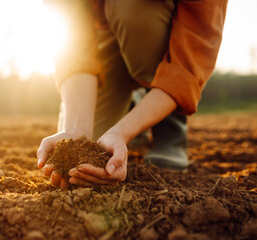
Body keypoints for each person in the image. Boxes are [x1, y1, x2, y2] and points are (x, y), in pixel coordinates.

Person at [37, 0, 228, 189]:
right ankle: (135, 108)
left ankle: (169, 123)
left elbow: (192, 53)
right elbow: (71, 39)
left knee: (129, 7)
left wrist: (122, 132)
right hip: (102, 40)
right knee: (93, 147)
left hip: (156, 33)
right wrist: (76, 129)